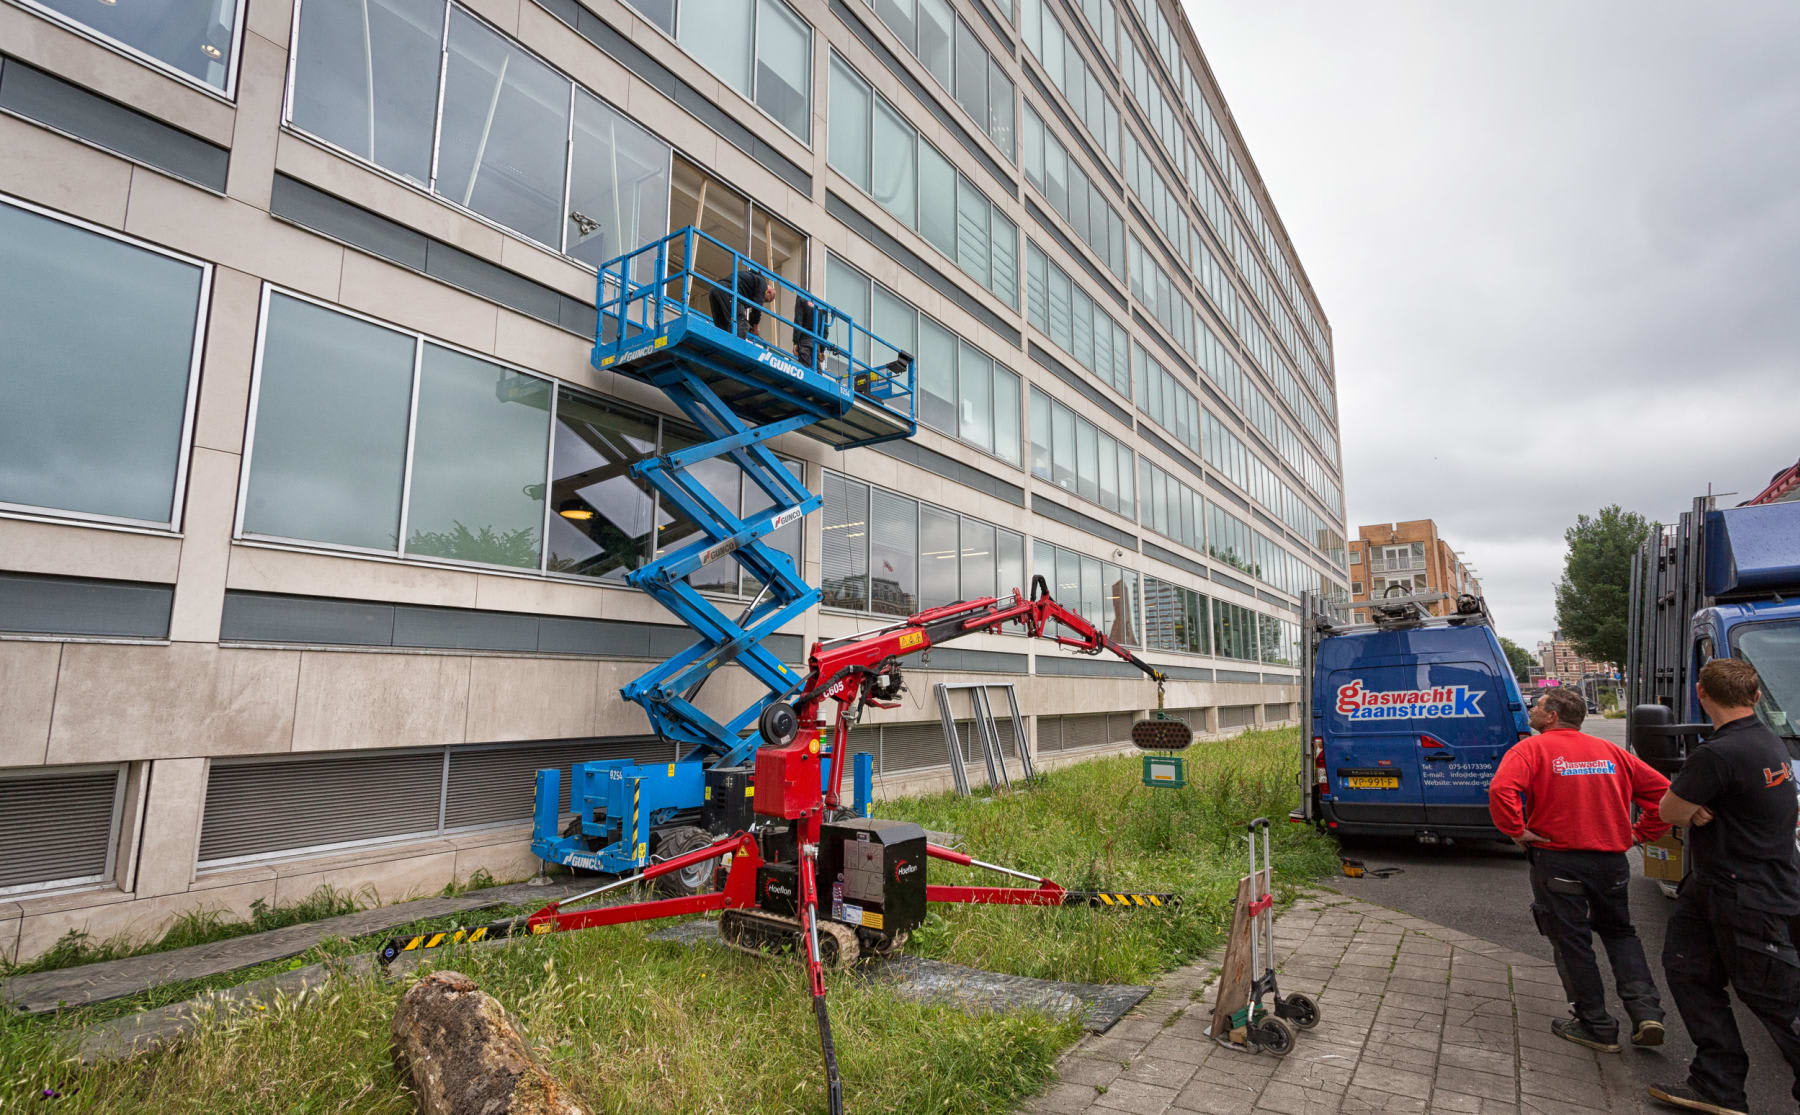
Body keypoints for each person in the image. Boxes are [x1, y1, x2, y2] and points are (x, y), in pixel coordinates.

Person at [1650, 658, 1800, 1115]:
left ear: (1701, 694)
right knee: (1687, 968)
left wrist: (1692, 807)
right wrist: (1699, 806)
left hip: (1747, 892)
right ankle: (1717, 1085)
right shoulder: (1765, 740)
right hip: (1718, 885)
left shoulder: (1717, 754)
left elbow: (1668, 812)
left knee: (1777, 1001)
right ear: (1756, 696)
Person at [1488, 686, 1670, 1053]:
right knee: (1620, 933)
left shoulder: (1530, 749)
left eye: (1537, 706)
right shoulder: (1610, 752)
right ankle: (1646, 1011)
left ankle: (1596, 1024)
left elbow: (1501, 789)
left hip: (1559, 861)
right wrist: (1640, 835)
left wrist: (1516, 830)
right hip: (1611, 863)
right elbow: (1662, 792)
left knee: (1571, 941)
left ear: (1552, 716)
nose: (1531, 711)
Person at [707, 267, 776, 341]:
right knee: (742, 324)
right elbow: (757, 306)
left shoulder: (750, 279)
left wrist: (751, 325)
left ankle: (721, 344)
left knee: (723, 326)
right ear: (768, 292)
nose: (763, 300)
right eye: (765, 299)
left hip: (715, 290)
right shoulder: (762, 283)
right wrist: (755, 326)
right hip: (729, 292)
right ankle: (735, 346)